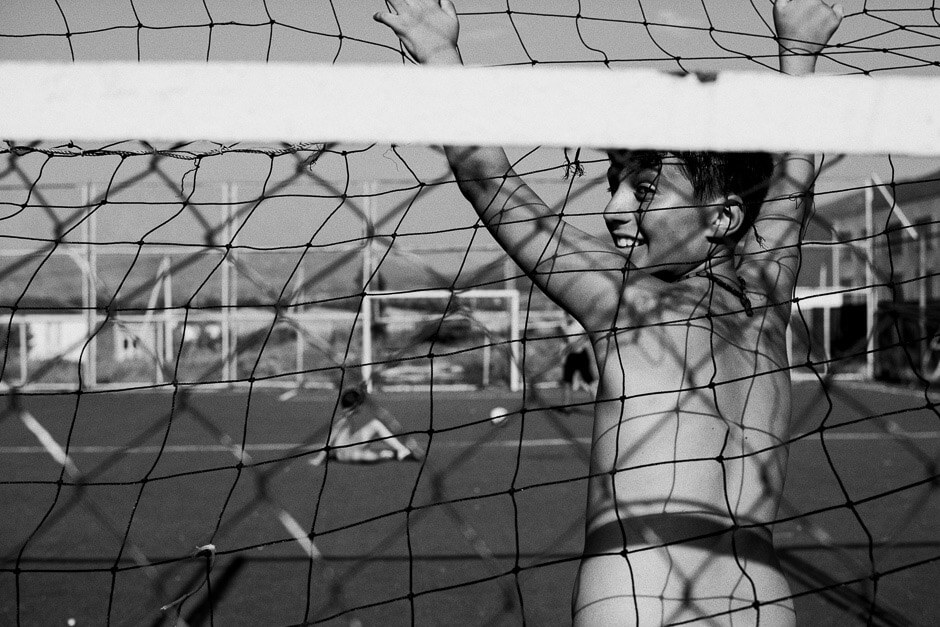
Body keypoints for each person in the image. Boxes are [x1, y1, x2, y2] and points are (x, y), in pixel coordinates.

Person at [374, 0, 841, 624]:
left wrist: (440, 60)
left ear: (722, 217)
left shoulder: (629, 307)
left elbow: (488, 178)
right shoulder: (767, 299)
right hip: (760, 603)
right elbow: (791, 183)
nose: (614, 209)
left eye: (643, 190)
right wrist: (799, 59)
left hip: (640, 596)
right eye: (613, 182)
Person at [311, 386, 422, 464]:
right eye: (358, 404)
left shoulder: (346, 417)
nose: (361, 406)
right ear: (354, 405)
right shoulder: (342, 420)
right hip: (348, 454)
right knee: (375, 430)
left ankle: (395, 452)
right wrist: (320, 458)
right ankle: (396, 452)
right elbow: (330, 439)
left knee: (373, 451)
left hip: (350, 449)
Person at [560, 314, 595, 409]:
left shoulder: (580, 324)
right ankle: (566, 405)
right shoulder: (563, 324)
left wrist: (577, 344)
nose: (568, 316)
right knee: (567, 381)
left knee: (589, 381)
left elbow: (586, 337)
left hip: (582, 355)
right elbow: (565, 340)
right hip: (571, 356)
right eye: (566, 315)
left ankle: (597, 402)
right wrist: (565, 351)